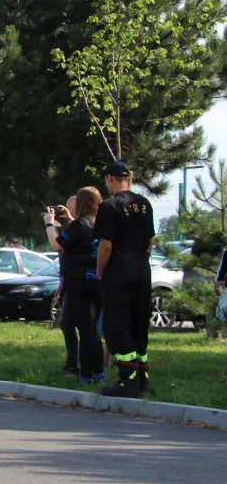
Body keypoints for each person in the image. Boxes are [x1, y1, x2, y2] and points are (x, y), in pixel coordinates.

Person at [95, 160, 155, 398]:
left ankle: (126, 380)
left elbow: (106, 245)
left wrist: (101, 271)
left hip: (119, 269)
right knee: (139, 321)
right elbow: (149, 240)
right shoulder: (144, 203)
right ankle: (142, 377)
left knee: (117, 322)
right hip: (142, 267)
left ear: (110, 178)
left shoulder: (109, 206)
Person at [46, 187, 105, 385]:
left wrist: (49, 224)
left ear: (81, 203)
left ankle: (85, 375)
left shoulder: (79, 225)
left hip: (79, 284)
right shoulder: (100, 224)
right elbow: (83, 237)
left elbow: (57, 244)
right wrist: (70, 218)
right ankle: (98, 372)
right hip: (96, 282)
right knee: (92, 330)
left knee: (85, 330)